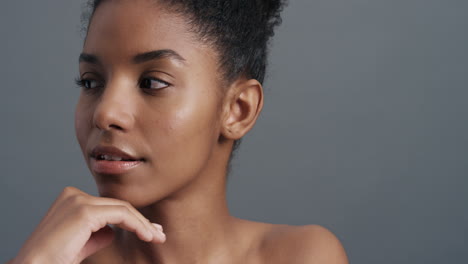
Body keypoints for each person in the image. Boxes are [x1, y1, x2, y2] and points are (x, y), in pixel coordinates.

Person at [10, 0, 348, 263]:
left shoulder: (303, 257)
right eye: (90, 82)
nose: (105, 113)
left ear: (237, 109)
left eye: (152, 82)